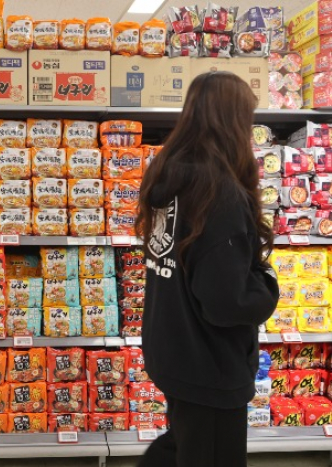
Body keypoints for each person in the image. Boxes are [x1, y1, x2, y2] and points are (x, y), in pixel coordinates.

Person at [136, 72, 279, 467]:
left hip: (173, 347)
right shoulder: (220, 192)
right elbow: (226, 302)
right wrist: (266, 284)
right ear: (233, 120)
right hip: (209, 364)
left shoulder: (169, 172)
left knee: (184, 442)